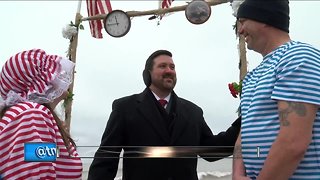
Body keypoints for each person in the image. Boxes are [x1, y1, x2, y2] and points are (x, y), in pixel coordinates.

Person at [88, 49, 241, 180]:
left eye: (172, 67)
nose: (169, 70)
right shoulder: (125, 108)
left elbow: (212, 151)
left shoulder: (194, 112)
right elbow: (106, 158)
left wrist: (245, 120)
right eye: (162, 66)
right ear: (148, 73)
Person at [232, 0, 320, 179]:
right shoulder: (251, 76)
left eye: (243, 22)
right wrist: (237, 174)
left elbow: (293, 142)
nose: (240, 31)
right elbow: (244, 134)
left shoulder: (298, 57)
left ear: (263, 18)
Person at [0, 49, 82, 179]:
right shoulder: (32, 115)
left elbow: (37, 161)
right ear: (40, 82)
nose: (61, 76)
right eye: (53, 72)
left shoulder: (30, 115)